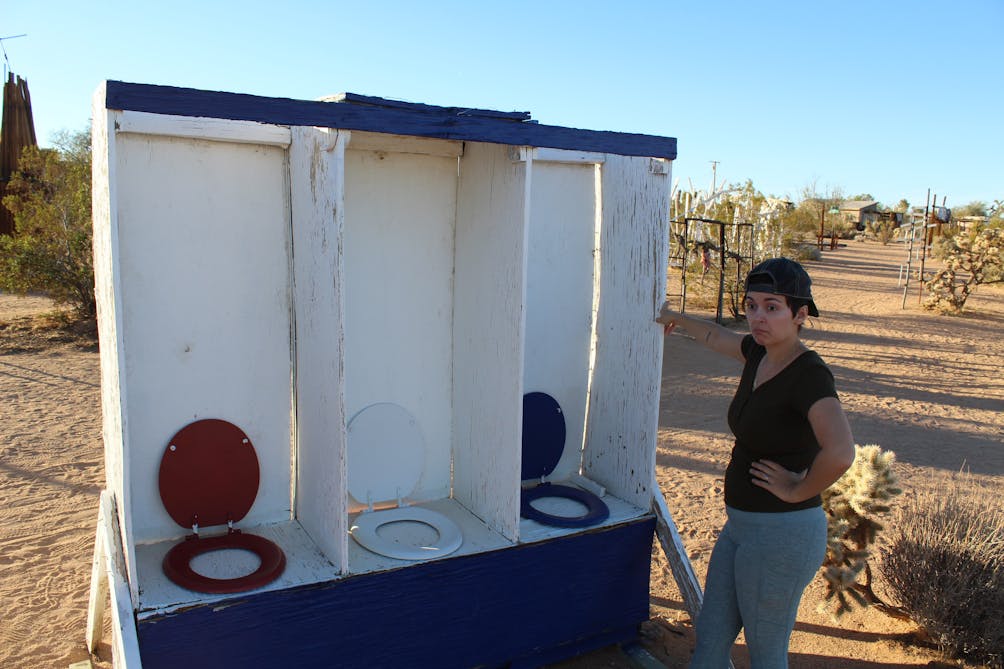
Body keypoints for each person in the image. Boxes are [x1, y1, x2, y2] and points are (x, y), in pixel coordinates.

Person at [657, 257, 855, 668]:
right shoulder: (759, 354)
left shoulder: (809, 375)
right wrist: (675, 317)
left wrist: (797, 488)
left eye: (772, 307)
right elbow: (714, 337)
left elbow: (840, 452)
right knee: (710, 641)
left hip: (782, 536)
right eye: (751, 306)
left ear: (800, 314)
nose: (758, 317)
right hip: (742, 528)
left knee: (765, 655)